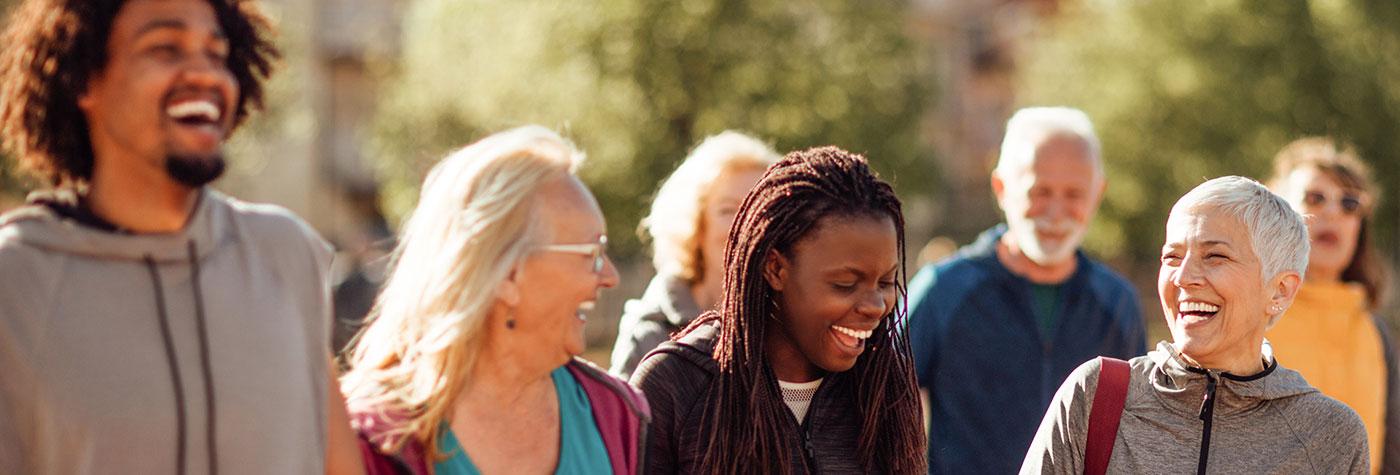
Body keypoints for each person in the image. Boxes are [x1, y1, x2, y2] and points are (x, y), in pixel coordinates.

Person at [0, 0, 361, 473]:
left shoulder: (286, 253)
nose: (205, 74)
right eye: (165, 48)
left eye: (216, 54)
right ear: (85, 80)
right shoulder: (16, 282)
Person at [340, 126, 649, 474]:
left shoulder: (616, 414)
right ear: (507, 272)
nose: (610, 276)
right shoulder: (368, 438)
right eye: (592, 253)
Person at [1021, 176, 1370, 474]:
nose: (1184, 277)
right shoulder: (1095, 395)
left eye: (1215, 256)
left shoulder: (1331, 436)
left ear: (1280, 290)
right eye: (1172, 257)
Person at [632, 146, 927, 473]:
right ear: (775, 268)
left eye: (885, 283)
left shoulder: (886, 388)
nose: (875, 306)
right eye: (845, 283)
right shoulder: (675, 385)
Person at [905, 106, 1145, 473]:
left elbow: (1137, 431)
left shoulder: (1117, 302)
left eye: (1074, 194)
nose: (1055, 211)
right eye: (1040, 191)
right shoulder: (944, 290)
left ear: (1099, 193)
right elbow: (876, 405)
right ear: (1001, 188)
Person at [1265, 137, 1398, 474]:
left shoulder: (1376, 331)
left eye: (1350, 204)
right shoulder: (1253, 313)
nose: (1332, 212)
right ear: (1279, 210)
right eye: (1315, 198)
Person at [609, 131, 780, 378]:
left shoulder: (794, 320)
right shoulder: (650, 332)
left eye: (759, 207)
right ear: (695, 224)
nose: (746, 223)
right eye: (728, 210)